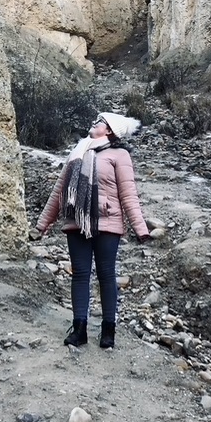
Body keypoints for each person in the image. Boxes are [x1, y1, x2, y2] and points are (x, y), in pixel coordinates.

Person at [36, 111, 151, 349]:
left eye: (99, 122)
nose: (93, 123)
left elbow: (128, 193)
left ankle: (108, 331)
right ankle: (79, 330)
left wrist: (140, 228)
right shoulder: (78, 151)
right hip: (77, 221)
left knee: (106, 275)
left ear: (109, 130)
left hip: (108, 223)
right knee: (80, 274)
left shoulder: (119, 155)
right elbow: (59, 191)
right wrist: (42, 224)